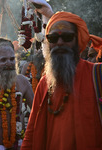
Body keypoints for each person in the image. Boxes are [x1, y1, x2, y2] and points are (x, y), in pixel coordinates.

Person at [21, 11, 102, 150]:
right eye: (53, 38)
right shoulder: (44, 83)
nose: (59, 42)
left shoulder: (98, 74)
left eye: (67, 37)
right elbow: (31, 132)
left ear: (78, 40)